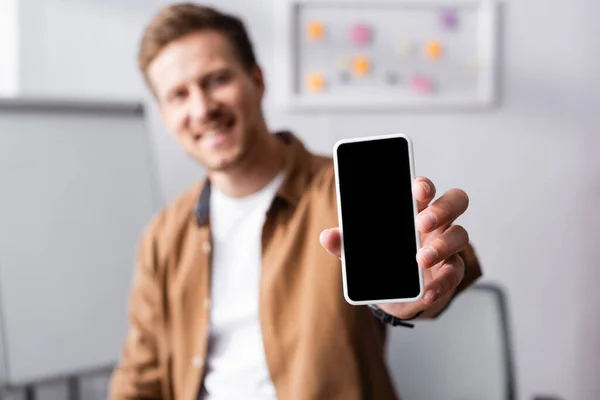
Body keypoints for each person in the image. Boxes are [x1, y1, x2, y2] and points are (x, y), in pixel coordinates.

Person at [109, 3, 482, 400]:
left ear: (257, 81)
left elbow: (443, 269)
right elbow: (140, 375)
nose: (202, 109)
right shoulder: (164, 235)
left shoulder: (344, 190)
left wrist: (416, 293)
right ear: (166, 115)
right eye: (179, 95)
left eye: (216, 80)